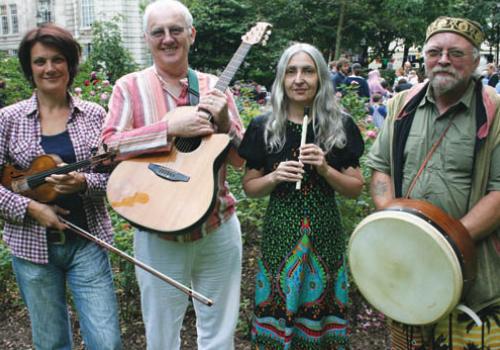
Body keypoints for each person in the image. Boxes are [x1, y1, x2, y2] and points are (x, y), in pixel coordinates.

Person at [100, 1, 243, 349]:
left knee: (220, 330)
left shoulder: (214, 88)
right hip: (157, 232)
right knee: (162, 334)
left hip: (217, 225)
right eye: (158, 32)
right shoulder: (129, 87)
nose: (167, 39)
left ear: (191, 35)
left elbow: (241, 160)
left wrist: (224, 123)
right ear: (147, 39)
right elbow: (106, 149)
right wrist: (166, 128)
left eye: (175, 30)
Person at [367, 16, 500, 349]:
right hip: (407, 267)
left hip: (474, 271)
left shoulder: (495, 113)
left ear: (475, 61)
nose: (443, 60)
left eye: (455, 53)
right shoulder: (401, 104)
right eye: (434, 52)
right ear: (424, 57)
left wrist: (445, 244)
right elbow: (381, 168)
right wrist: (394, 226)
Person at [0, 24, 122, 350]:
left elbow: (114, 178)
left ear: (70, 64)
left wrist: (83, 182)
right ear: (29, 68)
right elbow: (8, 183)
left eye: (58, 59)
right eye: (40, 61)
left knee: (106, 342)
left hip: (88, 242)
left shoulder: (95, 115)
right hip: (32, 250)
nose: (49, 68)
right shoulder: (7, 119)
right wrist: (31, 207)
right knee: (51, 343)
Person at [238, 43, 365, 349]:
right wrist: (274, 176)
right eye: (291, 71)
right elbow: (250, 188)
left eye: (308, 71)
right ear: (281, 79)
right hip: (281, 233)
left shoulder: (339, 125)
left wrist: (325, 169)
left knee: (321, 314)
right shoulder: (264, 126)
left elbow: (355, 187)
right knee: (279, 308)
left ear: (320, 77)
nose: (299, 79)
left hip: (325, 234)